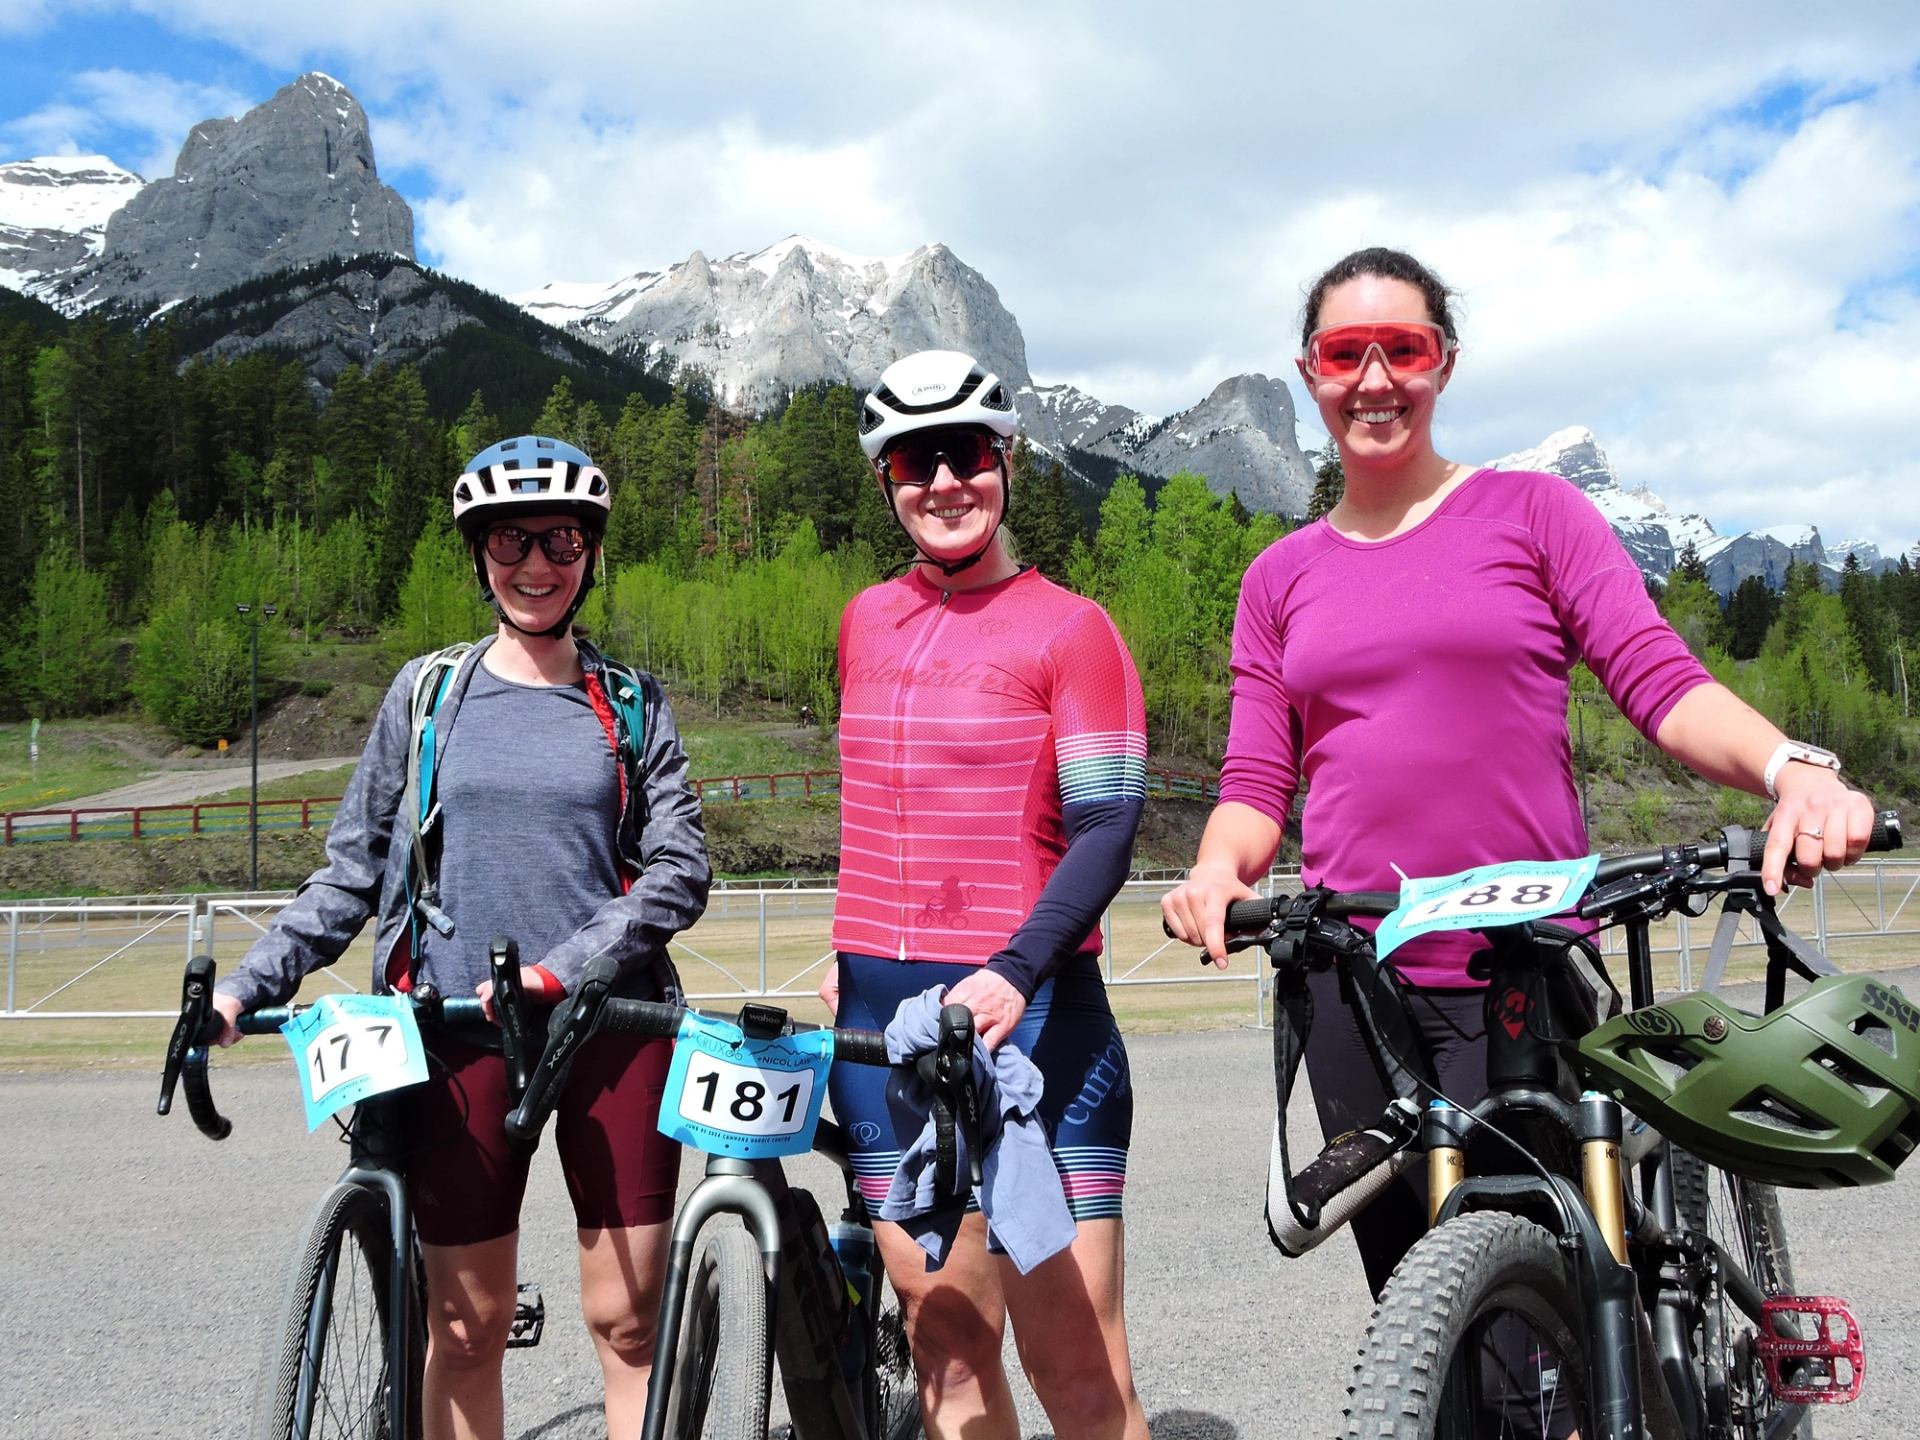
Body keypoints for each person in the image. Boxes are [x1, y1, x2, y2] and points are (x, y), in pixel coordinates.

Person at [1160, 246, 1880, 1301]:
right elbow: (1257, 781)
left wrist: (1792, 769)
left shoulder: (1532, 515)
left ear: (1442, 363)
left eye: (1401, 348)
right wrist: (1219, 871)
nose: (1374, 378)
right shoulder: (1278, 578)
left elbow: (1660, 682)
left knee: (1551, 1326)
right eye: (1344, 352)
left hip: (1523, 969)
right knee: (1423, 1317)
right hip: (1356, 983)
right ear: (1311, 371)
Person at [211, 435, 710, 1440]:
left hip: (610, 1023)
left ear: (590, 554)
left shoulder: (629, 701)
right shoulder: (427, 694)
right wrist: (242, 986)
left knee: (629, 1323)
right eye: (510, 540)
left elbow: (680, 870)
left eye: (560, 540)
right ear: (479, 555)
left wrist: (560, 967)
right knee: (467, 1324)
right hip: (454, 1027)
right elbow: (351, 870)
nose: (536, 563)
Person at [820, 350, 1152, 1440]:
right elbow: (876, 802)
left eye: (966, 454)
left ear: (1005, 461)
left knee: (1077, 1364)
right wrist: (846, 945)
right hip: (881, 1026)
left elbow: (1107, 828)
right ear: (886, 482)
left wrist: (1015, 967)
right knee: (947, 1342)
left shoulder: (1072, 627)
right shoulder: (865, 621)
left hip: (1036, 1018)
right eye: (916, 461)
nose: (944, 483)